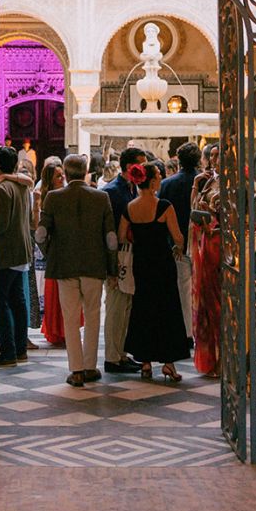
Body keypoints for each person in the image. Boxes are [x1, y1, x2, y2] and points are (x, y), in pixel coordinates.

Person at [35, 153, 117, 387]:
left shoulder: (53, 197)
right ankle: (91, 366)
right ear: (86, 171)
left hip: (64, 266)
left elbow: (41, 234)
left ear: (67, 173)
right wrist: (111, 268)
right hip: (94, 265)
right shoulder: (101, 197)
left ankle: (77, 370)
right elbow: (110, 238)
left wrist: (51, 253)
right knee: (92, 317)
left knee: (70, 318)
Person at [120, 161, 191, 381]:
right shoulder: (164, 206)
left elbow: (122, 236)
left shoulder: (130, 207)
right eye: (159, 176)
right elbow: (178, 237)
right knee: (166, 310)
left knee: (143, 309)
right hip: (162, 264)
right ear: (151, 181)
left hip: (141, 263)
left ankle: (146, 362)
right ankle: (168, 363)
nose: (161, 179)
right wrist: (177, 247)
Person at [101, 146, 148, 374]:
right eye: (140, 165)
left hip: (130, 255)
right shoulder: (112, 192)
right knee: (116, 307)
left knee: (125, 308)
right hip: (118, 256)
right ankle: (112, 357)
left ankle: (120, 353)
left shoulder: (133, 189)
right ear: (129, 166)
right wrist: (110, 266)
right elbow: (107, 231)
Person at [158, 141, 201, 339]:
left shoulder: (167, 184)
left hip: (177, 243)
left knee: (183, 288)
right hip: (202, 241)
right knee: (202, 287)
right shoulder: (204, 182)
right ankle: (202, 327)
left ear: (178, 160)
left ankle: (186, 332)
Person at [0, 146, 31, 367]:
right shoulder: (20, 186)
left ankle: (8, 350)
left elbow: (2, 224)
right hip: (22, 249)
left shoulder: (2, 189)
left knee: (2, 302)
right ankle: (20, 349)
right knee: (18, 300)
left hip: (8, 251)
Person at [189, 143, 222, 377]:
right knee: (207, 300)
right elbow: (193, 209)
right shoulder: (207, 181)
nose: (214, 160)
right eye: (211, 156)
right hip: (207, 243)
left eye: (218, 156)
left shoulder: (237, 180)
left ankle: (225, 357)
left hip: (223, 243)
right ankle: (211, 357)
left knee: (222, 301)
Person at [34, 159, 68, 346]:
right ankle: (56, 329)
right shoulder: (46, 198)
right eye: (58, 175)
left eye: (62, 174)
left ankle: (62, 329)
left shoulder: (63, 195)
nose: (62, 177)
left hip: (61, 249)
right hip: (51, 249)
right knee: (54, 290)